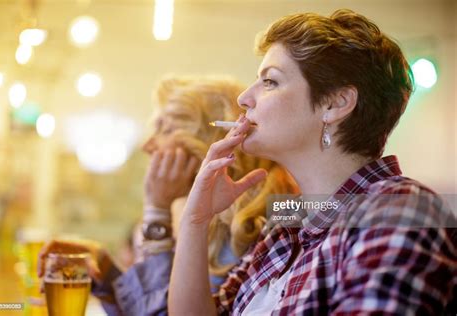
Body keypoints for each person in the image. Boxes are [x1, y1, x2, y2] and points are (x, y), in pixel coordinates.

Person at [168, 9, 457, 315]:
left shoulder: (399, 210)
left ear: (335, 104)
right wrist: (195, 221)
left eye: (270, 82)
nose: (244, 98)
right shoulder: (288, 222)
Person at [37, 76, 298, 315]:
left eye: (165, 128)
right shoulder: (211, 222)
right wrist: (105, 270)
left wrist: (156, 211)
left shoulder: (255, 226)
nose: (147, 145)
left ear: (210, 140)